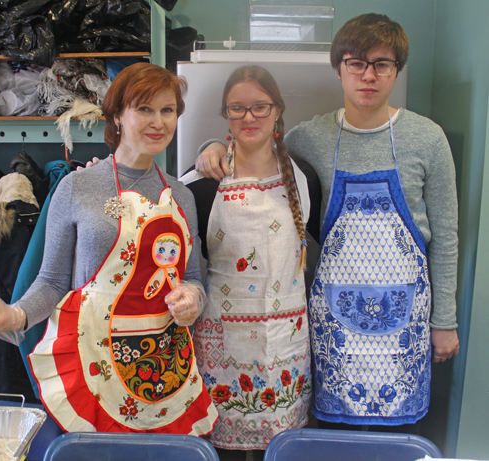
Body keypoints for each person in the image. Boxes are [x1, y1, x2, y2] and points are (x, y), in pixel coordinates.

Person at [194, 13, 460, 431]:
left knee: (398, 438)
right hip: (333, 324)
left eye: (382, 64)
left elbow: (445, 238)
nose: (368, 75)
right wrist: (209, 146)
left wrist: (444, 322)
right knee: (331, 434)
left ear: (396, 70)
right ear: (339, 69)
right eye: (356, 63)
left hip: (404, 323)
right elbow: (258, 144)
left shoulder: (427, 138)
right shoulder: (308, 139)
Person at [0, 62, 218, 434]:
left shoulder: (181, 196)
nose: (158, 122)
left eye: (168, 110)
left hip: (163, 365)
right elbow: (50, 282)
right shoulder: (76, 188)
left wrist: (193, 299)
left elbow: (192, 278)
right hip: (94, 362)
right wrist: (14, 317)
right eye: (144, 109)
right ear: (117, 115)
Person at [180, 65, 321, 459]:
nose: (249, 117)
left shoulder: (304, 178)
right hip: (223, 350)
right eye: (237, 108)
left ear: (278, 110)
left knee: (281, 452)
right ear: (225, 114)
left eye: (260, 107)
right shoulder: (200, 183)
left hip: (287, 347)